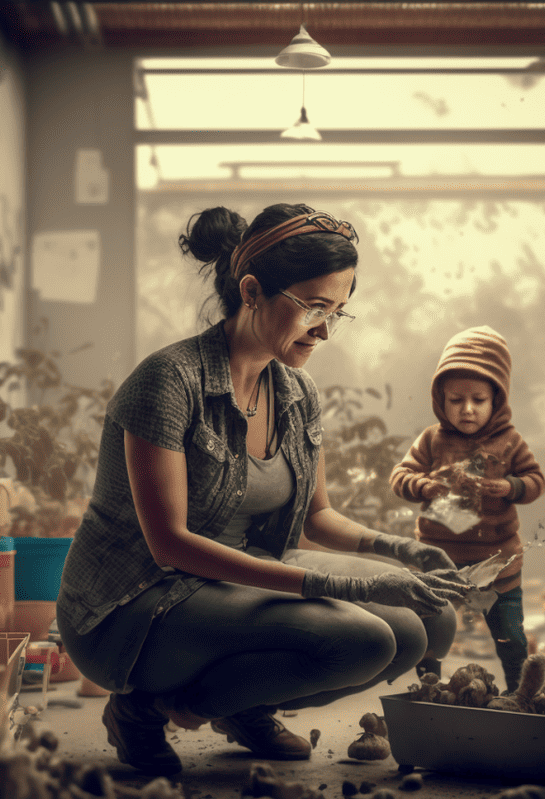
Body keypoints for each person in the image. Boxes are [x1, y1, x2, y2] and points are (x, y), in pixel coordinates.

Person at [56, 203, 468, 776]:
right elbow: (170, 547)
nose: (325, 329)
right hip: (139, 601)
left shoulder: (296, 391)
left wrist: (401, 552)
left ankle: (245, 703)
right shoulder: (168, 381)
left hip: (239, 576)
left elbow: (318, 515)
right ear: (251, 291)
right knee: (365, 641)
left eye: (339, 312)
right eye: (314, 308)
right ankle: (148, 709)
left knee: (427, 622)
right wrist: (331, 582)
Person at [388, 326, 545, 693]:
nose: (467, 409)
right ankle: (430, 688)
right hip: (438, 562)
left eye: (478, 399)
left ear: (497, 400)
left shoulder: (510, 442)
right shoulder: (432, 439)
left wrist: (510, 487)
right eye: (456, 400)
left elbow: (535, 480)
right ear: (441, 401)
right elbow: (401, 474)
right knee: (430, 633)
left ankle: (520, 694)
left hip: (497, 565)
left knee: (510, 637)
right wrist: (421, 485)